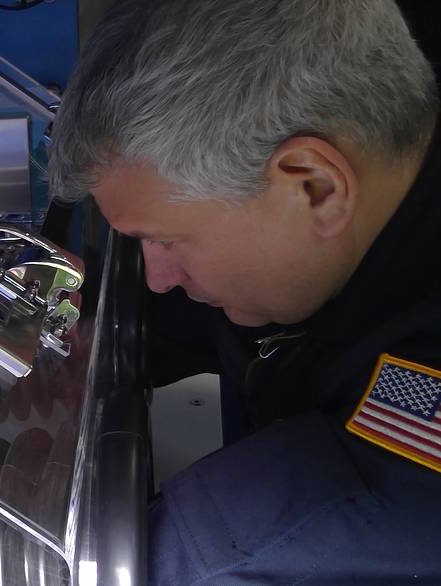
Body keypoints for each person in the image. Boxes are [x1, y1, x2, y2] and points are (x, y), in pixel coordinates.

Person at [48, 0, 441, 583]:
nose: (157, 277)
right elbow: (178, 311)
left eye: (167, 241)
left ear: (315, 186)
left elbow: (330, 513)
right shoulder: (330, 202)